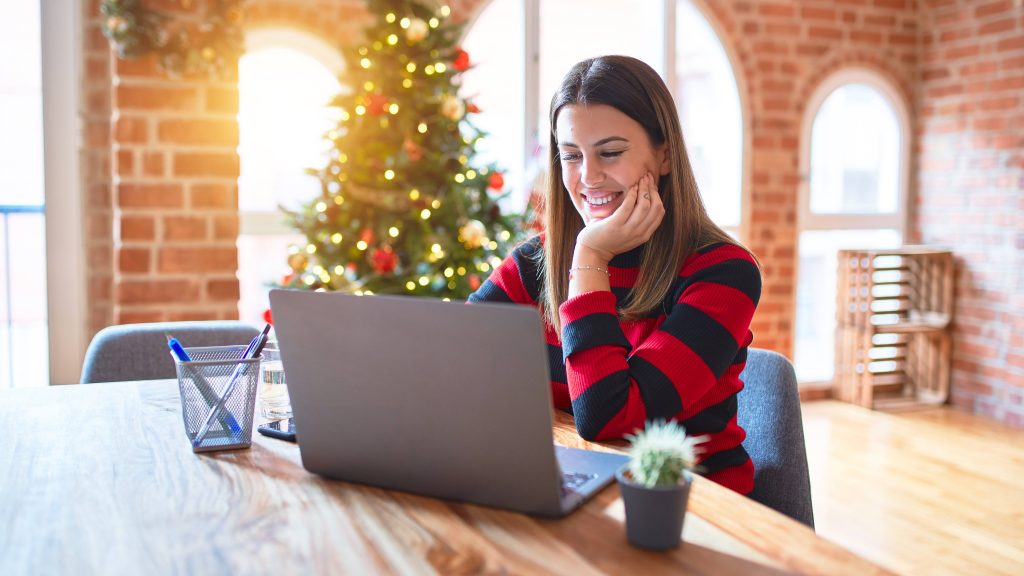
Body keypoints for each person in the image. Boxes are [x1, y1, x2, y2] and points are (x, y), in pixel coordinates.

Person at [469, 55, 760, 495]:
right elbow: (455, 363)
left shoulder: (723, 274)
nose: (588, 176)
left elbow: (607, 417)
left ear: (664, 155)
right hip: (570, 484)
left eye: (610, 153)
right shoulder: (535, 263)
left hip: (690, 505)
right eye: (571, 155)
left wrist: (590, 256)